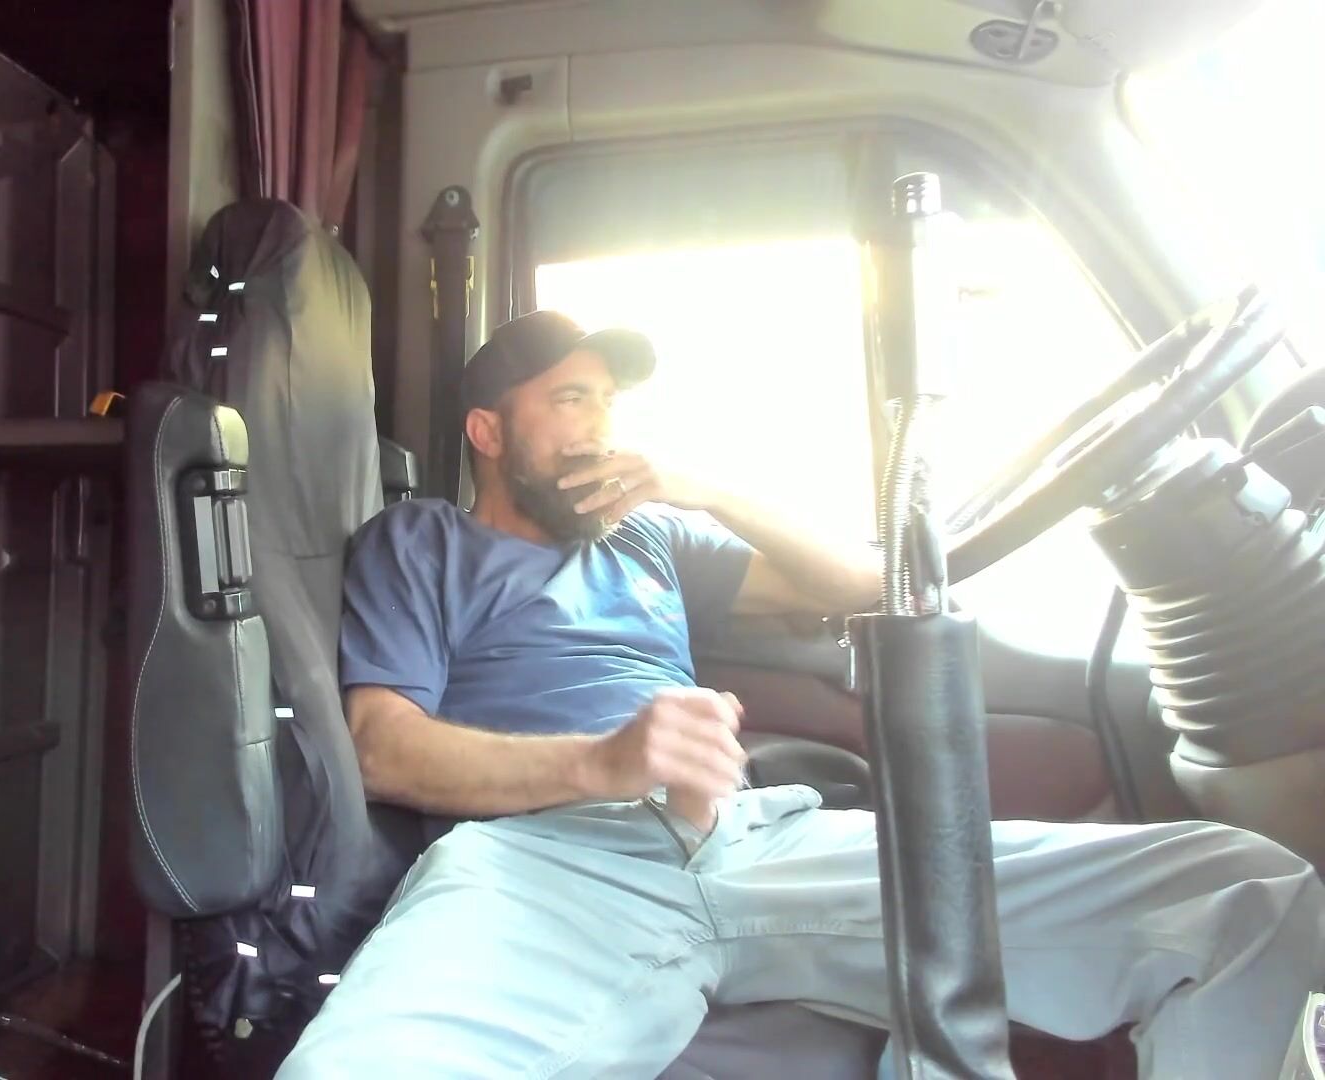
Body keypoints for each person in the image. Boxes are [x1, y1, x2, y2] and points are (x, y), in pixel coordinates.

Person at [274, 310, 1325, 1079]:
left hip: (748, 840)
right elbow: (383, 747)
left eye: (608, 401)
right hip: (544, 861)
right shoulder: (423, 543)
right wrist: (601, 763)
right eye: (569, 399)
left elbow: (867, 585)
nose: (598, 424)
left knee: (1251, 896)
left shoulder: (649, 538)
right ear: (489, 433)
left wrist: (703, 488)